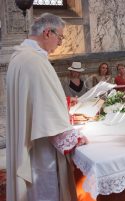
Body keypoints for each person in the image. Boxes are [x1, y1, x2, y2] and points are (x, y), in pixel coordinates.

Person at [6, 13, 87, 201]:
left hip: (27, 139)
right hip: (40, 147)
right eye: (60, 37)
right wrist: (75, 138)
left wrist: (63, 102)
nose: (60, 43)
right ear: (48, 32)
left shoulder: (20, 56)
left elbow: (34, 100)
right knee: (44, 190)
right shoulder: (35, 61)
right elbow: (48, 117)